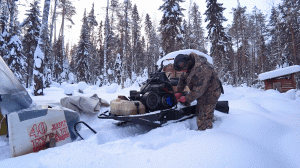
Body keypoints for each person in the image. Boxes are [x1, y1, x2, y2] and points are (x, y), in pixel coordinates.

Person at [173, 52, 223, 130]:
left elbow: (199, 91)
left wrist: (186, 98)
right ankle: (208, 117)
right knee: (199, 109)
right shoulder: (188, 66)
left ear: (187, 64)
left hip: (211, 93)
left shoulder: (203, 69)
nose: (183, 72)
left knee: (203, 118)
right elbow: (182, 78)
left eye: (183, 70)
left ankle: (205, 134)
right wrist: (179, 91)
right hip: (201, 91)